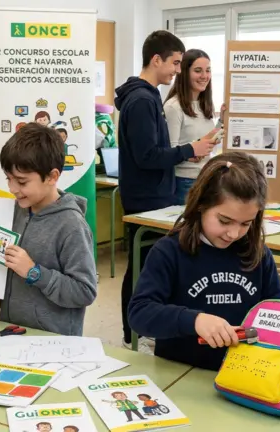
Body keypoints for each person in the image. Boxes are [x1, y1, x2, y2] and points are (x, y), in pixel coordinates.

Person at [128, 152, 280, 370]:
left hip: (242, 375)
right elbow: (140, 313)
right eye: (224, 220)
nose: (233, 233)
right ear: (200, 204)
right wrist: (195, 321)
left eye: (246, 223)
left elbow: (275, 311)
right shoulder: (169, 251)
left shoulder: (258, 254)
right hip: (179, 373)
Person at [115, 30, 218, 350]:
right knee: (142, 269)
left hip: (150, 195)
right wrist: (191, 149)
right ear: (155, 60)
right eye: (175, 63)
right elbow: (148, 156)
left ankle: (137, 331)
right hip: (146, 198)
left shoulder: (146, 97)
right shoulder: (144, 100)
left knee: (145, 267)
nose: (178, 69)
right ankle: (134, 332)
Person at [0, 123, 96, 336]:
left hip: (54, 340)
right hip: (12, 330)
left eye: (21, 181)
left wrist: (34, 272)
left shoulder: (71, 225)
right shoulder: (16, 210)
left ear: (52, 177)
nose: (13, 189)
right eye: (9, 179)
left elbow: (85, 291)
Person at [164, 49, 223, 204]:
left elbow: (207, 141)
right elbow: (169, 152)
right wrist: (194, 150)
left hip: (205, 179)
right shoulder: (173, 107)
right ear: (184, 73)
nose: (204, 76)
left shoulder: (204, 105)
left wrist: (222, 121)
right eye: (198, 71)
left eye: (208, 70)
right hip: (183, 182)